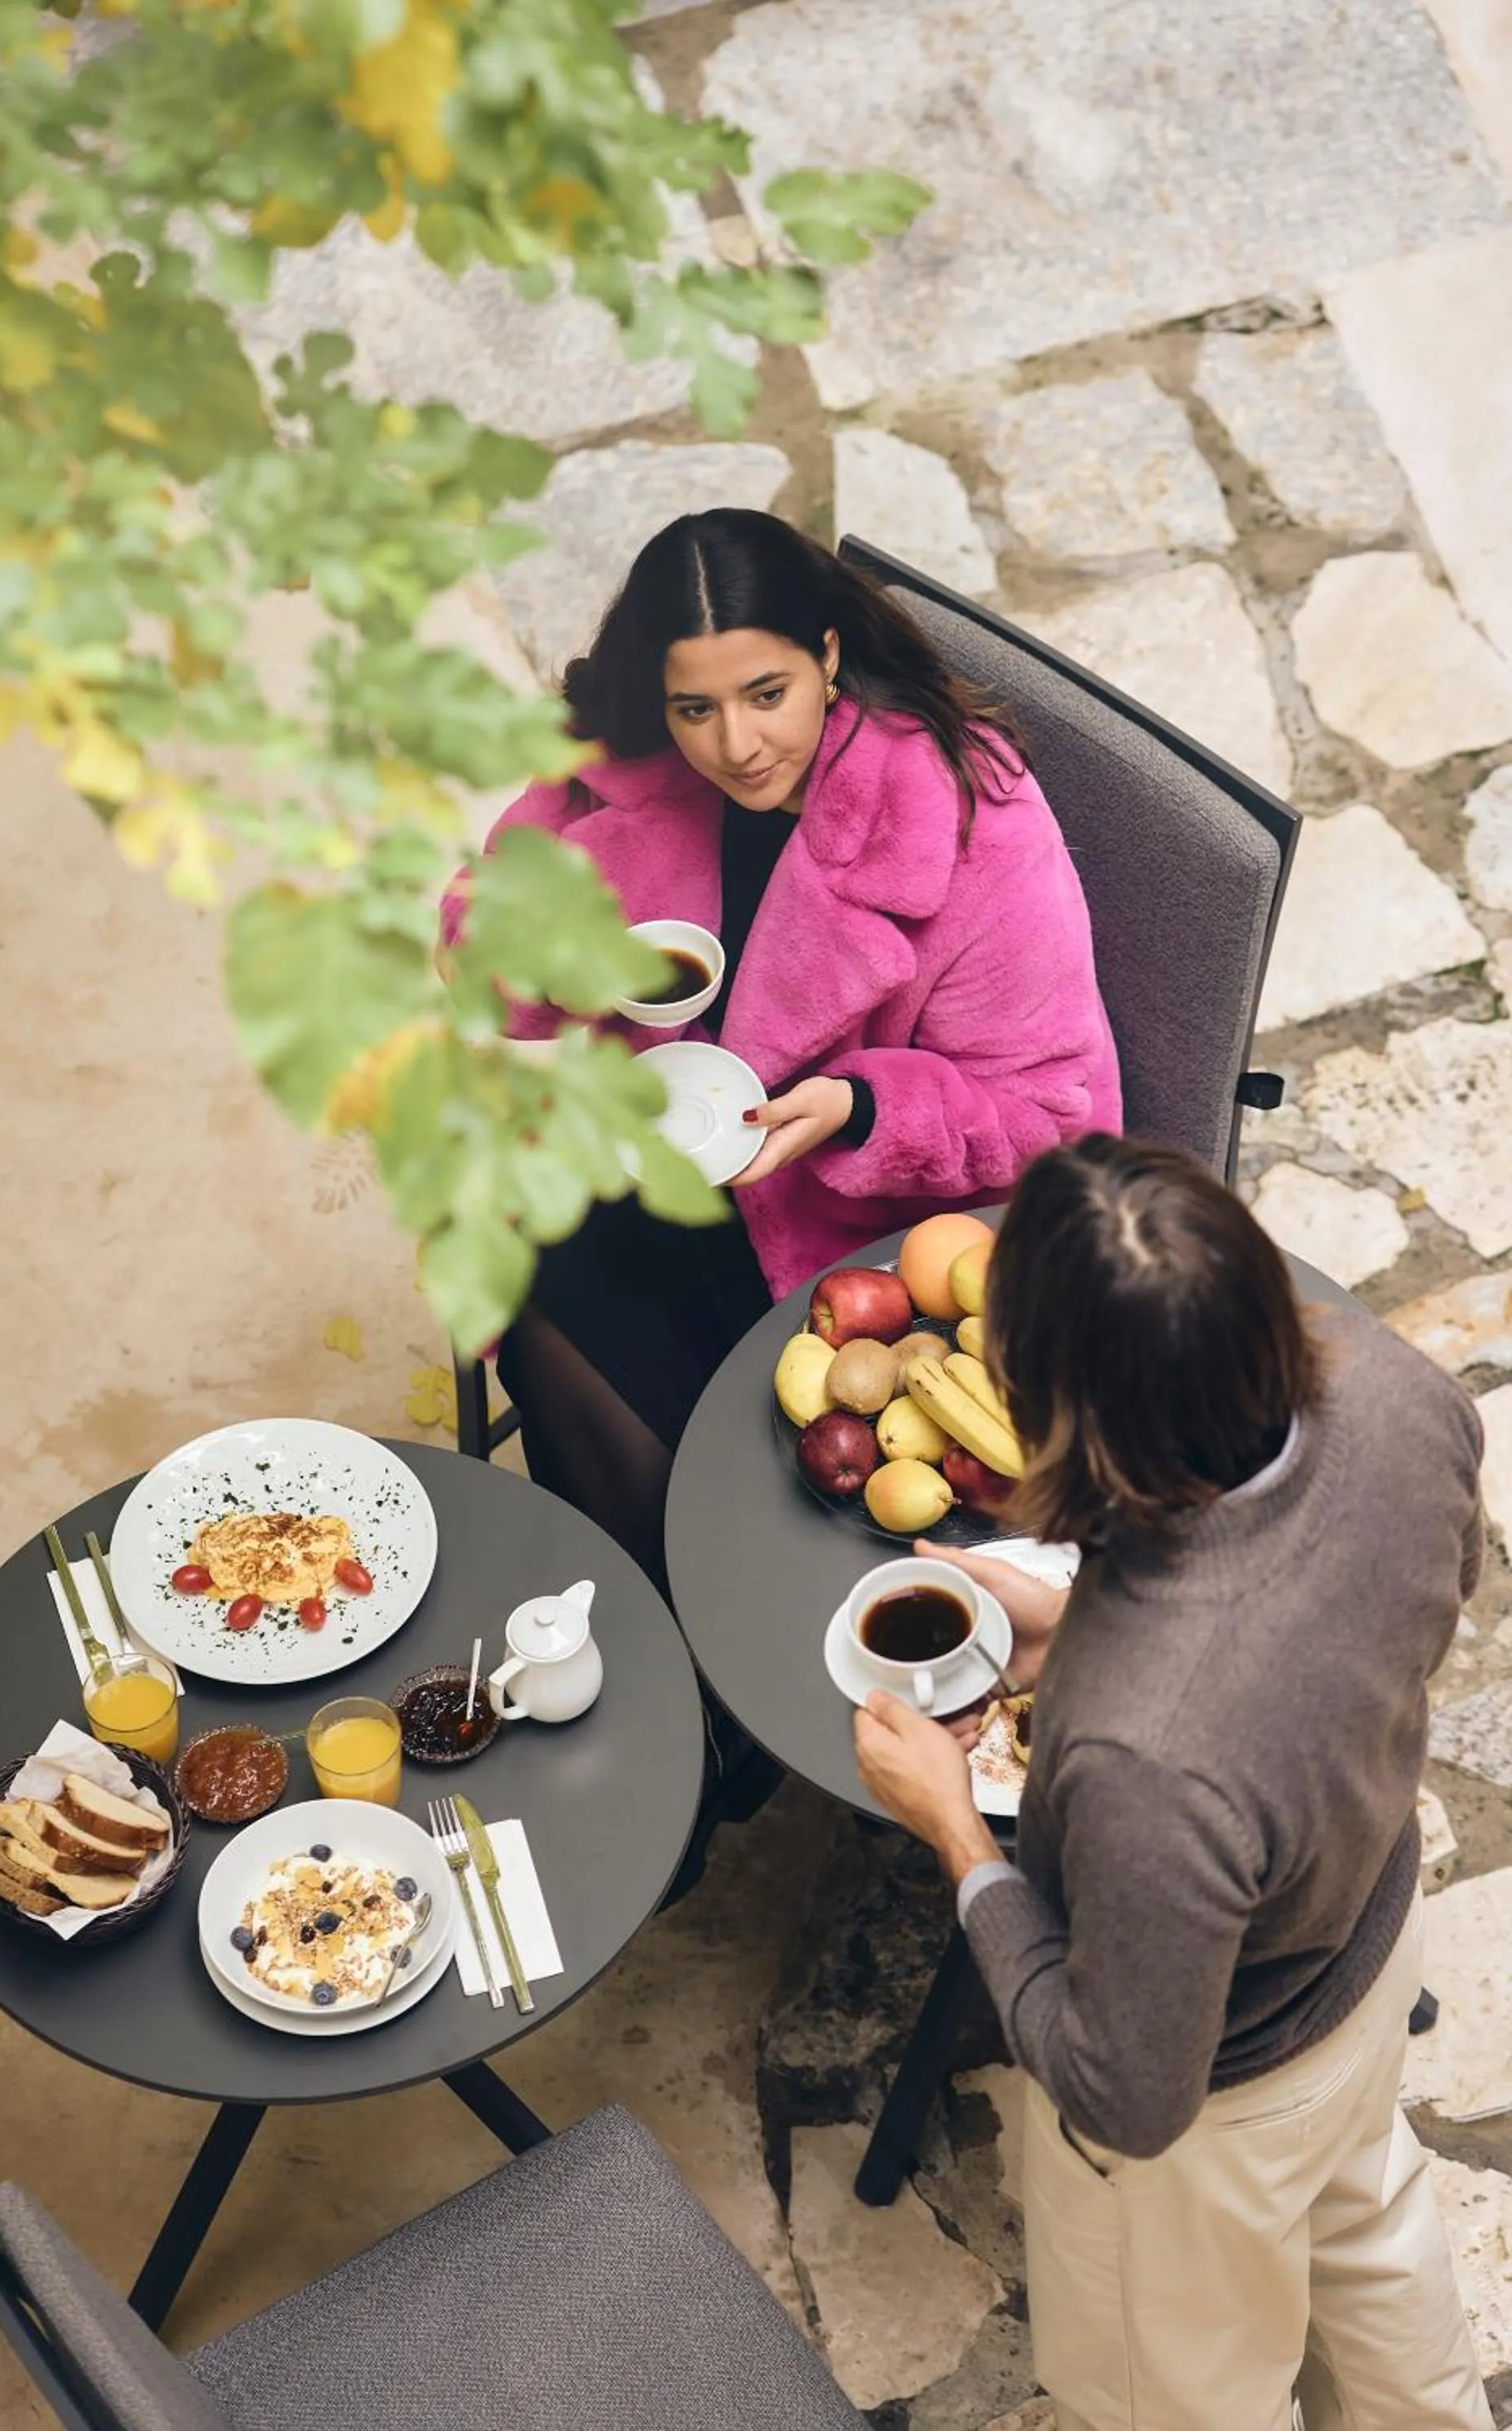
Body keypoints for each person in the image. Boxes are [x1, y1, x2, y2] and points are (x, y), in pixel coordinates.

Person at [855, 1134, 1492, 2431]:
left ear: (1060, 1413)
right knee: (1373, 2237)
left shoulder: (1145, 1755)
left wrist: (960, 1847)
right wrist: (1080, 1630)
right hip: (1369, 1950)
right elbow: (1378, 1615)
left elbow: (1127, 2094)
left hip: (1228, 2109)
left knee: (1187, 2400)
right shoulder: (1399, 1390)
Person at [443, 509, 1120, 1592]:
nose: (736, 745)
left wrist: (858, 1109)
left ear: (830, 658)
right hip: (668, 1154)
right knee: (533, 1282)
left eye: (770, 696)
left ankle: (708, 1629)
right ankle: (659, 1632)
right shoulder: (616, 763)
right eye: (694, 709)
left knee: (721, 1461)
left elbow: (1047, 1118)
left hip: (861, 1233)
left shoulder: (968, 815)